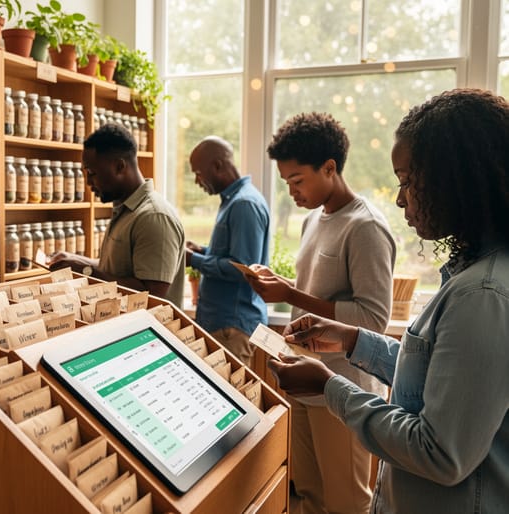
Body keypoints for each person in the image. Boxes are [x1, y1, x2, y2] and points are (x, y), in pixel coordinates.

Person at [269, 88, 509, 513]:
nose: (401, 199)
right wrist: (353, 341)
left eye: (408, 183)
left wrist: (330, 387)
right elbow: (436, 369)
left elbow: (440, 453)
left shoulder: (482, 295)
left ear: (456, 181)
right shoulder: (469, 275)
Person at [248, 112, 396, 514]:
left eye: (298, 181)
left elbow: (373, 320)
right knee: (309, 496)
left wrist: (291, 292)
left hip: (345, 387)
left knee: (347, 502)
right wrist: (284, 287)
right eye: (287, 184)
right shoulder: (313, 219)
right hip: (303, 380)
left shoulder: (366, 227)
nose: (292, 192)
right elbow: (314, 295)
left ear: (330, 168)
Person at [49, 124, 186, 306]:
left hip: (144, 333)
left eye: (92, 173)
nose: (88, 182)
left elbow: (150, 294)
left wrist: (86, 271)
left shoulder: (154, 217)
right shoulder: (127, 211)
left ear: (120, 166)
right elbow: (118, 271)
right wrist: (76, 261)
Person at [184, 136, 270, 365]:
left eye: (198, 173)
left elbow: (243, 268)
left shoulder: (244, 204)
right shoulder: (234, 201)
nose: (196, 181)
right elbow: (231, 253)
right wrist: (202, 250)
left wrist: (194, 259)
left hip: (231, 327)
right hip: (224, 325)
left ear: (218, 166)